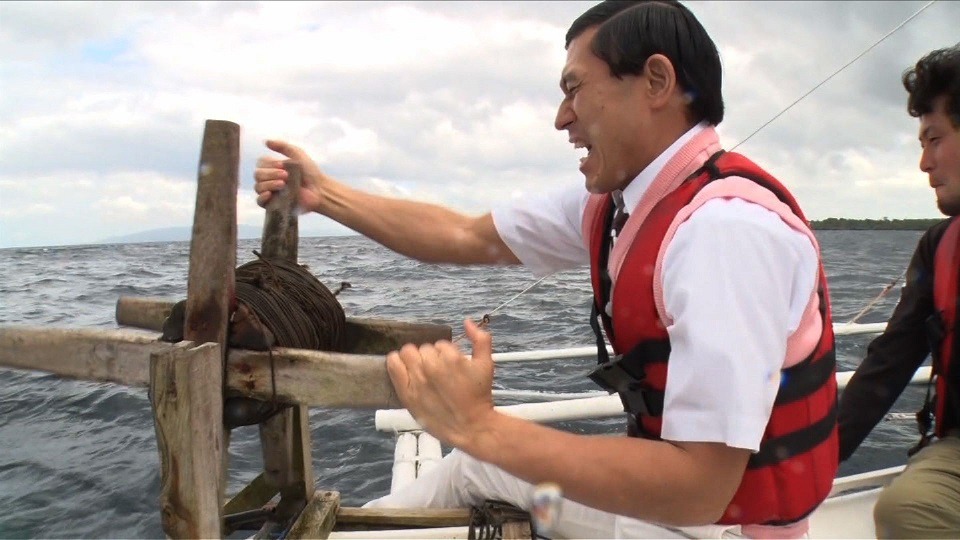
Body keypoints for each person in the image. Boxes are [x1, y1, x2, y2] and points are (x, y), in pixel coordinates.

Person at [254, 1, 839, 537]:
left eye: (575, 88)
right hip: (682, 517)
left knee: (482, 455)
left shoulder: (723, 233)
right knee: (473, 469)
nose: (563, 118)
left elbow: (701, 487)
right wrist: (324, 195)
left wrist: (478, 425)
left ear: (657, 82)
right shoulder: (618, 204)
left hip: (717, 527)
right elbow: (464, 234)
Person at [838, 43, 960, 539]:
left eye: (934, 139)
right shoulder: (940, 247)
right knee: (904, 509)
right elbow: (889, 361)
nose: (923, 163)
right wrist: (807, 456)